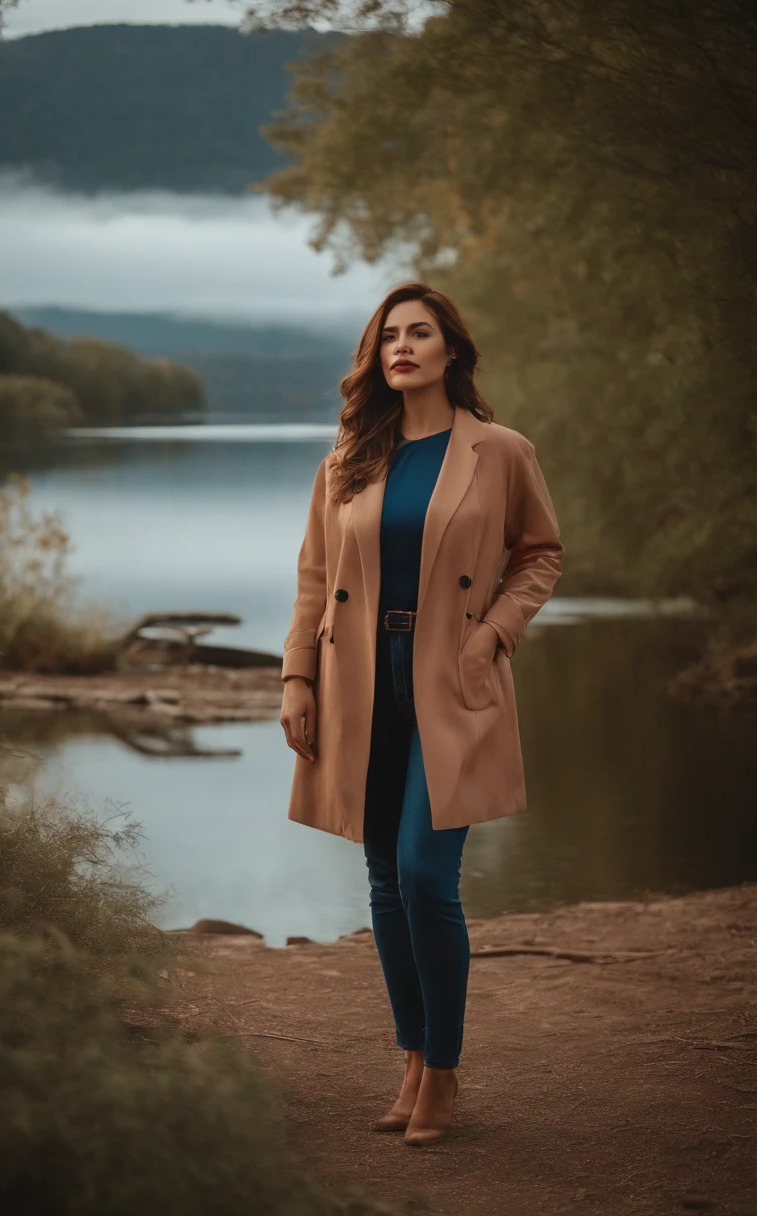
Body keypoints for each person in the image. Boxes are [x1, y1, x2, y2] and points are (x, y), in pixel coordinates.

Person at [279, 282, 564, 1146]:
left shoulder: (500, 450)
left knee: (425, 877)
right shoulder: (346, 461)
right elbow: (310, 577)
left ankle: (442, 1067)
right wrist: (296, 679)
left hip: (452, 674)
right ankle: (410, 1057)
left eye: (420, 333)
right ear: (377, 358)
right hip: (358, 678)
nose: (402, 347)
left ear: (451, 352)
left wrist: (495, 637)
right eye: (389, 336)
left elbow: (540, 554)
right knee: (382, 881)